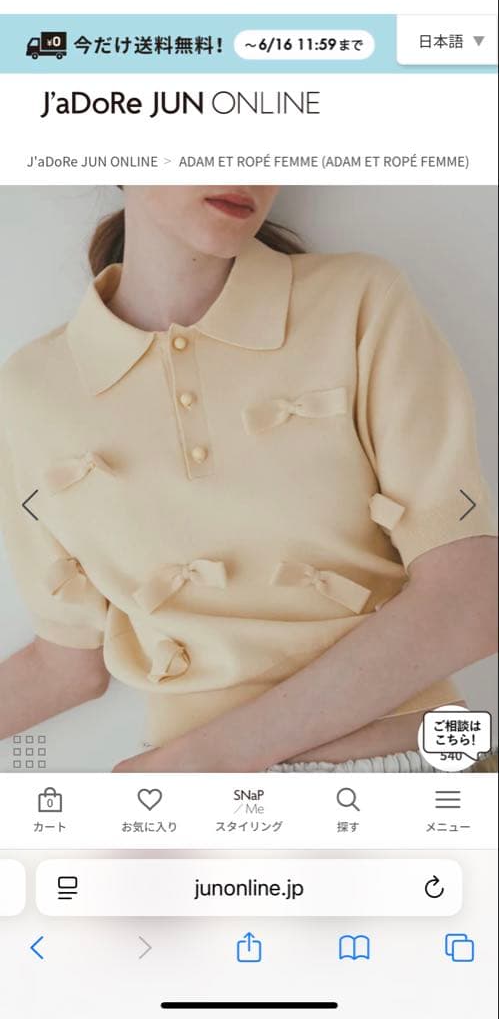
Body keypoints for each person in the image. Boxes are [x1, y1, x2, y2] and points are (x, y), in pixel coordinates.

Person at [0, 185, 496, 772]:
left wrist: (206, 759)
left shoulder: (359, 301)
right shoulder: (31, 391)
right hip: (186, 800)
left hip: (408, 774)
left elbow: (471, 595)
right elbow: (66, 663)